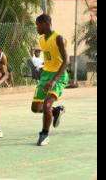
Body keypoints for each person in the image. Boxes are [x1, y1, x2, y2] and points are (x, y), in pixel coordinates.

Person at [31, 14, 70, 146]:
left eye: (37, 25)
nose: (36, 27)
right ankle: (55, 111)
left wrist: (53, 80)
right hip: (46, 75)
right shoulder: (41, 40)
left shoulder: (58, 38)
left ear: (45, 23)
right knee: (36, 108)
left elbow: (66, 61)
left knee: (47, 104)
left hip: (58, 76)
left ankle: (44, 134)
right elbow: (49, 58)